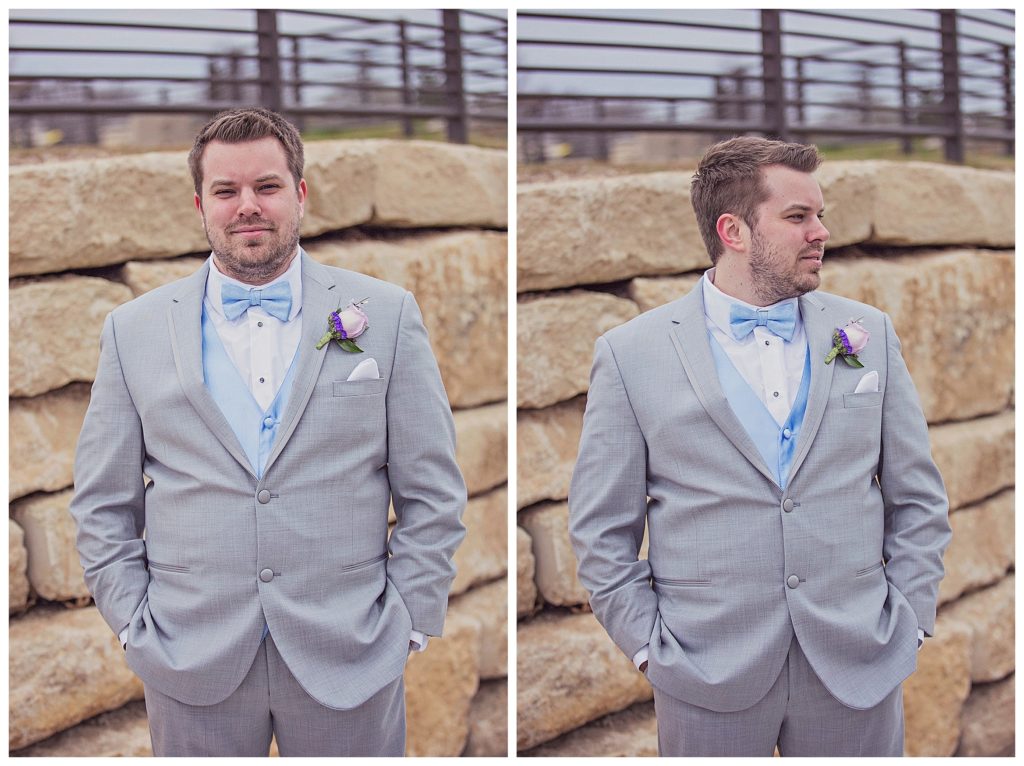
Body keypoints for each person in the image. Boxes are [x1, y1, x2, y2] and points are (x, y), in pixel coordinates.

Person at [70, 107, 467, 757]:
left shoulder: (386, 316)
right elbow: (102, 502)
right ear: (200, 205)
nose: (247, 206)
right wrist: (133, 626)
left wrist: (408, 623)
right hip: (190, 661)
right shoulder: (132, 330)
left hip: (352, 655)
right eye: (226, 191)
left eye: (267, 187)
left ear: (301, 194)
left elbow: (434, 489)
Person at [568, 136, 950, 757]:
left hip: (858, 662)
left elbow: (918, 498)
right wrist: (648, 646)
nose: (820, 232)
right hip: (705, 671)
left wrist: (908, 620)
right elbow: (600, 530)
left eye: (819, 215)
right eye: (798, 217)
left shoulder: (867, 333)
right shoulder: (630, 354)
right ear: (734, 231)